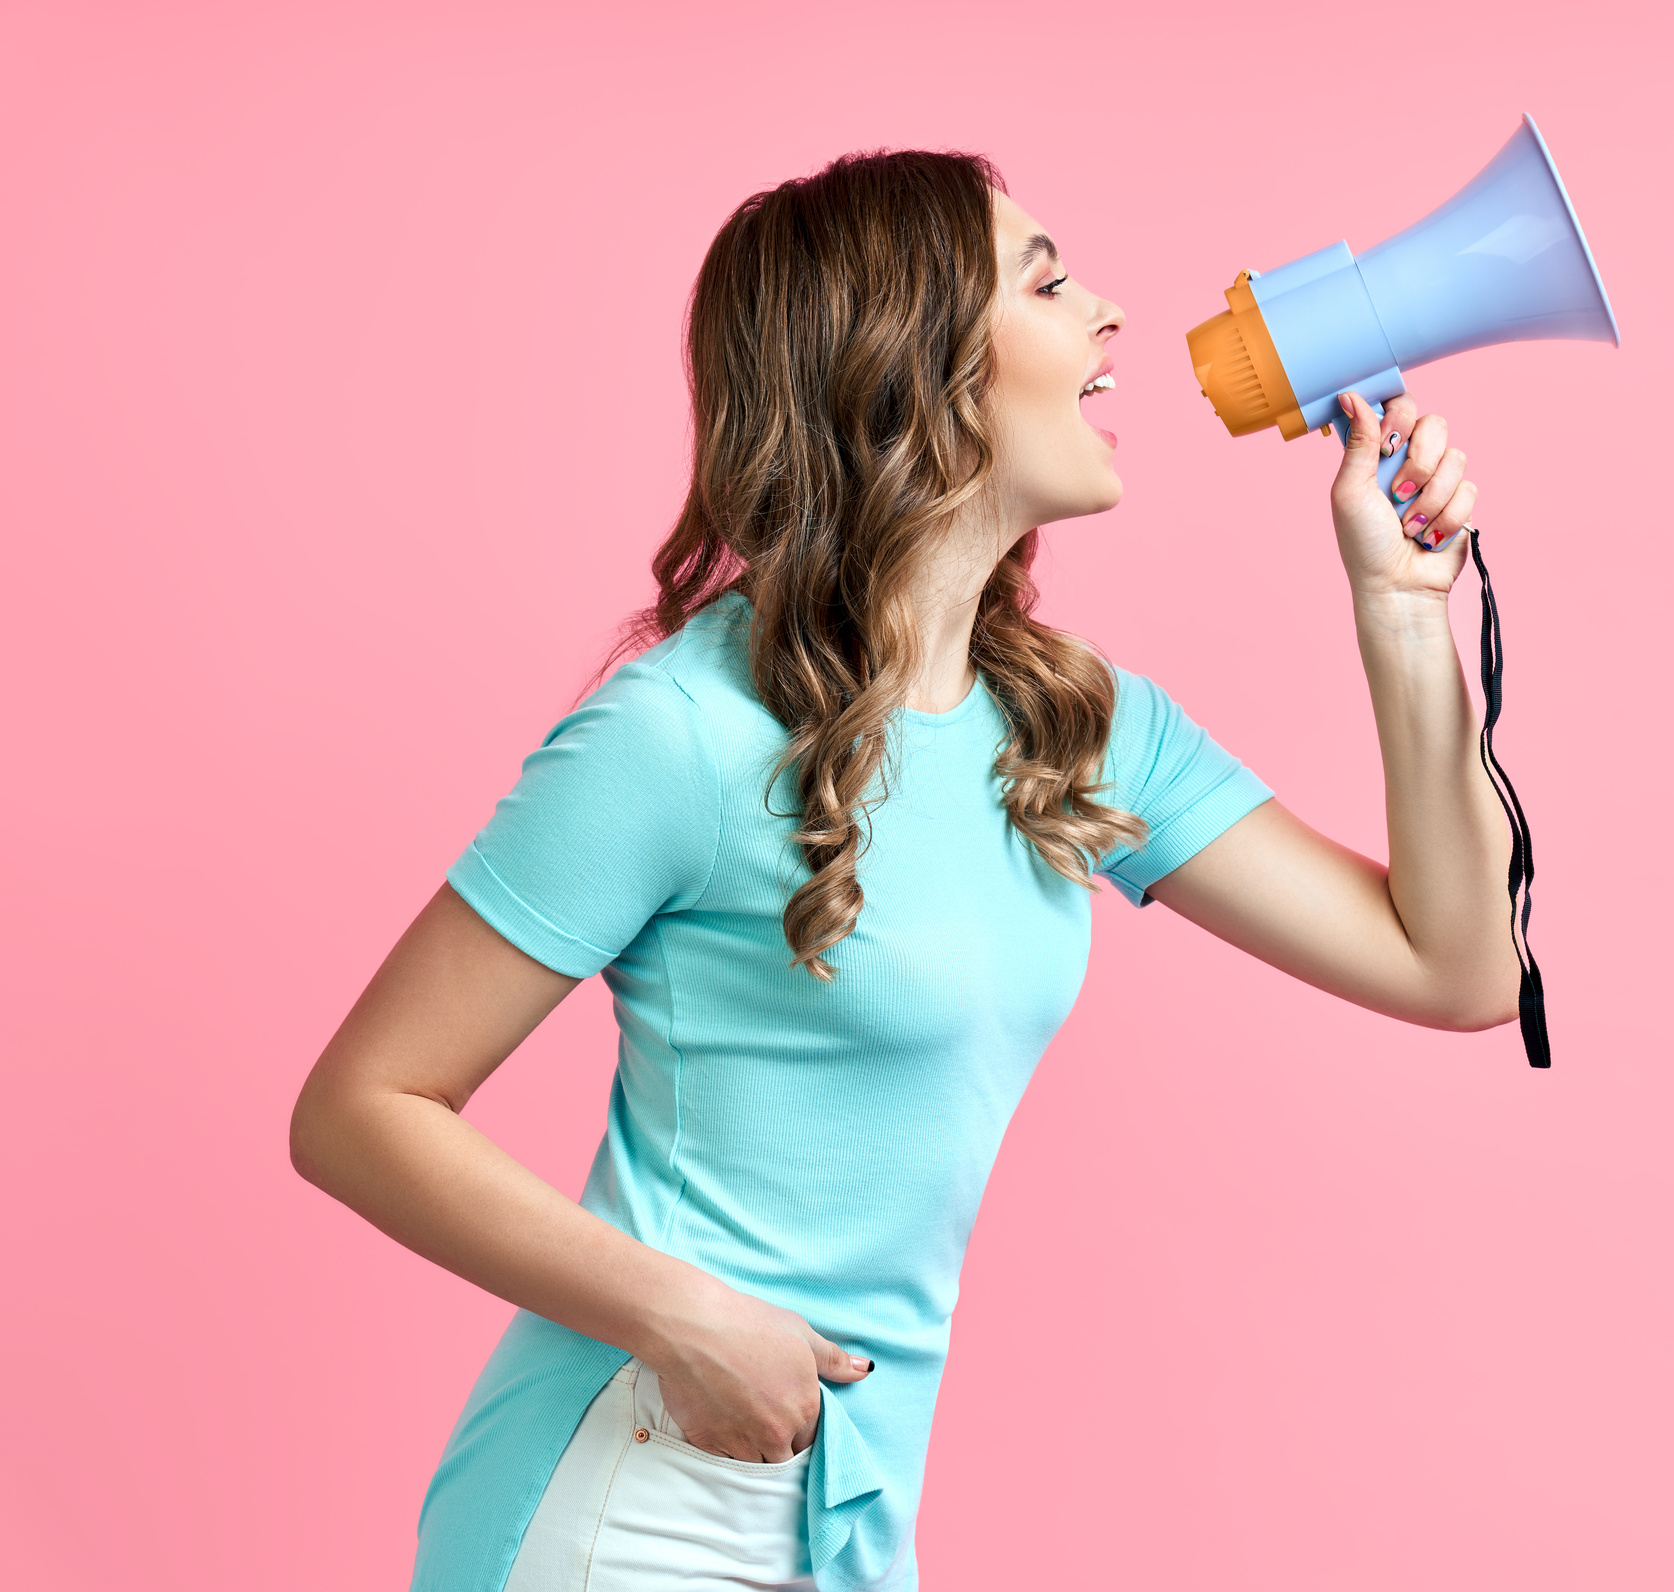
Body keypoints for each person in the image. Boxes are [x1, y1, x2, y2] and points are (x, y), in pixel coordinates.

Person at [289, 148, 1521, 1592]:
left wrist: (1396, 609)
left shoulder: (1079, 731)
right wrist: (686, 1319)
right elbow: (357, 1110)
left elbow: (1456, 966)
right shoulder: (681, 735)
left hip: (849, 1513)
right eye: (1049, 280)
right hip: (646, 1489)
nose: (1111, 314)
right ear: (914, 361)